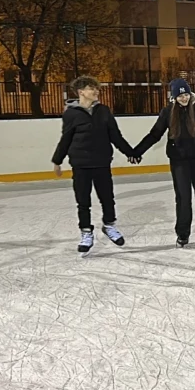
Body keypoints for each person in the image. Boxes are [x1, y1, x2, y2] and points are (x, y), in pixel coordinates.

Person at [51, 76, 137, 256]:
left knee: (107, 198)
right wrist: (57, 160)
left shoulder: (104, 111)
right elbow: (65, 138)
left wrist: (130, 152)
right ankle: (86, 233)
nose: (96, 91)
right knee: (83, 202)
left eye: (97, 89)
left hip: (101, 162)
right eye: (92, 88)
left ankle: (109, 226)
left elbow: (115, 135)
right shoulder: (71, 114)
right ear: (81, 92)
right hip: (81, 164)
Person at [135, 79, 195, 247]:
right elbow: (155, 134)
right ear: (174, 97)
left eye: (186, 94)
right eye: (180, 96)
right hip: (179, 162)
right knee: (183, 198)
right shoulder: (168, 112)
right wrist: (137, 151)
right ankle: (183, 233)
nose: (184, 98)